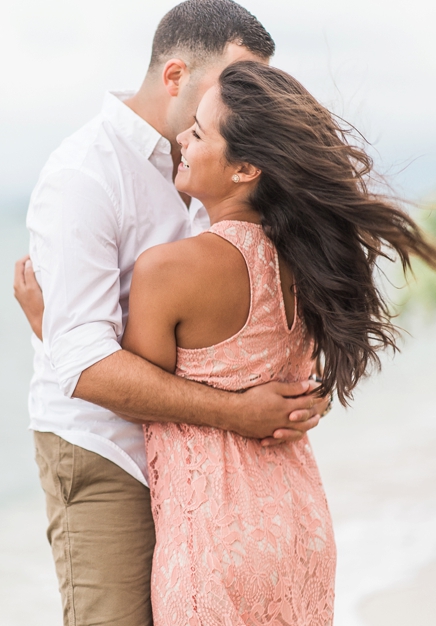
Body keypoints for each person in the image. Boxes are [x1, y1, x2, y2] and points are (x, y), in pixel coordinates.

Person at [16, 0, 328, 626]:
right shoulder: (86, 174)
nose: (244, 98)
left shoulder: (223, 170)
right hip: (110, 452)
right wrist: (240, 411)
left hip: (219, 477)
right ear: (175, 76)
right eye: (230, 83)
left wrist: (296, 393)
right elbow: (85, 367)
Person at [122, 60, 436, 623]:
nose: (180, 139)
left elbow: (140, 399)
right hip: (301, 526)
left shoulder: (168, 271)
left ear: (244, 167)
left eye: (198, 131)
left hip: (214, 542)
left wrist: (47, 327)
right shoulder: (311, 264)